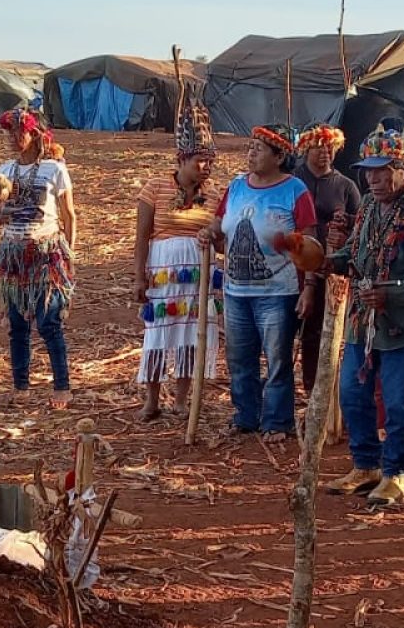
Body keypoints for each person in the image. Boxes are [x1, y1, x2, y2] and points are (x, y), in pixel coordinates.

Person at [322, 131, 404, 506]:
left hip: (402, 326)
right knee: (352, 393)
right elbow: (354, 253)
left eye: (381, 172)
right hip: (362, 322)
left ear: (403, 169)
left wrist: (391, 291)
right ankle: (366, 465)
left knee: (397, 402)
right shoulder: (368, 205)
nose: (372, 180)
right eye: (368, 173)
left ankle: (396, 473)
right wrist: (326, 259)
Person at [205, 125, 317, 442]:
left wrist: (309, 286)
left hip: (278, 291)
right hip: (236, 289)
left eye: (260, 148)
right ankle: (246, 416)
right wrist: (210, 232)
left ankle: (278, 421)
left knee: (278, 358)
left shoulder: (295, 191)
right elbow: (219, 221)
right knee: (240, 357)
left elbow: (309, 244)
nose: (251, 152)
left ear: (280, 156)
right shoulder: (237, 185)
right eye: (251, 146)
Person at [133, 92, 224, 421]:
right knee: (158, 332)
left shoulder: (215, 194)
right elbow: (142, 236)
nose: (206, 167)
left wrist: (214, 235)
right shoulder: (155, 187)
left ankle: (183, 399)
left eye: (209, 161)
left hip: (198, 275)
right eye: (199, 160)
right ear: (181, 160)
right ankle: (152, 399)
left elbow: (223, 240)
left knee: (192, 334)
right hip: (162, 274)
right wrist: (138, 276)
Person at [0, 108, 76, 409]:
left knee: (49, 321)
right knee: (16, 323)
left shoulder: (54, 170)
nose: (12, 138)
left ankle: (62, 386)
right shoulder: (3, 172)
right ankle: (21, 385)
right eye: (8, 132)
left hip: (45, 254)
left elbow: (68, 216)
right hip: (14, 256)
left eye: (19, 132)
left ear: (35, 135)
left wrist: (69, 255)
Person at [294, 124, 363, 396]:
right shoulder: (294, 181)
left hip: (330, 265)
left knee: (322, 328)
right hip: (295, 264)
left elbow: (360, 223)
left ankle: (320, 391)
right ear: (306, 150)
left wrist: (344, 226)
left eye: (329, 149)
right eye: (318, 148)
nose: (324, 154)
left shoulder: (346, 186)